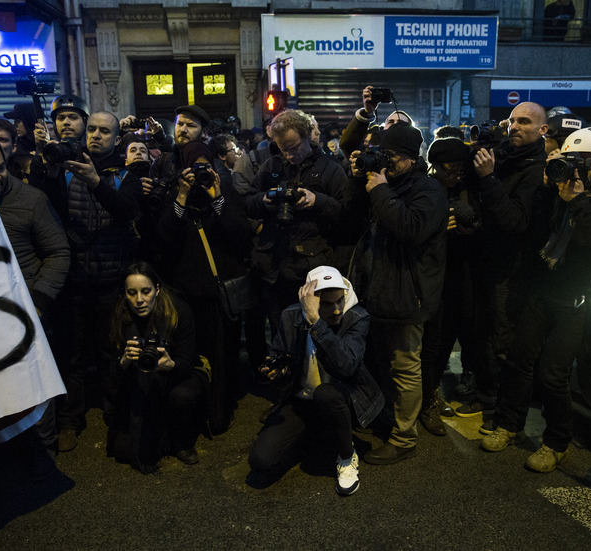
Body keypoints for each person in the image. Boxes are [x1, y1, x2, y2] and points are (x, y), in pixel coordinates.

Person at [481, 127, 591, 473]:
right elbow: (533, 231)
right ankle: (508, 424)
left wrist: (577, 201)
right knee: (518, 359)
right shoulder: (560, 187)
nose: (576, 170)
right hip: (545, 285)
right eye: (571, 162)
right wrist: (547, 190)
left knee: (553, 374)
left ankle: (556, 443)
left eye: (584, 163)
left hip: (580, 296)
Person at [28, 104, 145, 452]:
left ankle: (114, 415)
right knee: (71, 354)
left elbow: (127, 211)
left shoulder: (128, 177)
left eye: (104, 131)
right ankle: (70, 420)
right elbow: (48, 213)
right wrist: (48, 172)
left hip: (111, 280)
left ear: (117, 138)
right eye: (91, 129)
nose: (95, 135)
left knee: (111, 352)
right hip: (73, 282)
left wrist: (95, 182)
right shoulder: (64, 172)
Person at [0, 132, 71, 480]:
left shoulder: (31, 200)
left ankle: (44, 450)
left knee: (35, 382)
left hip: (27, 312)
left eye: (0, 168)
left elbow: (58, 252)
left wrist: (38, 301)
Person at [347, 122, 447, 465]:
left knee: (404, 366)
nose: (386, 162)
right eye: (383, 154)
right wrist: (360, 179)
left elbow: (411, 227)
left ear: (410, 157)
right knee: (379, 363)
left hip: (407, 294)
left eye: (392, 156)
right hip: (376, 290)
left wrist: (380, 189)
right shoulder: (385, 182)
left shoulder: (429, 189)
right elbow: (351, 216)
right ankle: (388, 420)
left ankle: (404, 438)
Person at [248, 266, 384, 496]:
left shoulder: (357, 317)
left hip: (345, 396)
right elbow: (279, 352)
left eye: (340, 301)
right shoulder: (290, 316)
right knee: (260, 460)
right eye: (327, 304)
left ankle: (346, 455)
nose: (337, 310)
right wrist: (275, 369)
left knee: (325, 394)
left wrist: (315, 323)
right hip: (304, 399)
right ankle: (314, 432)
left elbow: (346, 365)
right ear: (310, 300)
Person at [460, 102, 551, 427]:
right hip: (485, 264)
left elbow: (516, 221)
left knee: (503, 345)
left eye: (524, 122)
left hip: (510, 273)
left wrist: (488, 178)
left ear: (543, 129)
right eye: (512, 120)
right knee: (480, 337)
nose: (514, 126)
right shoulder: (505, 156)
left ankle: (504, 417)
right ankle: (486, 402)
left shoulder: (538, 169)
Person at [155, 140, 253, 435]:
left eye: (205, 166)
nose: (200, 173)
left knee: (223, 355)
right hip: (185, 294)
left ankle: (220, 412)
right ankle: (193, 411)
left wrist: (218, 198)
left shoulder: (224, 191)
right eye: (193, 167)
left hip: (218, 293)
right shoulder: (176, 194)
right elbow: (164, 239)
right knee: (190, 354)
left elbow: (240, 237)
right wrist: (182, 195)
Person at [244, 109, 347, 333]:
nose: (289, 155)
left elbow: (347, 216)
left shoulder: (331, 169)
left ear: (307, 136)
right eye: (283, 149)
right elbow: (247, 204)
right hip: (273, 267)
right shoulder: (271, 167)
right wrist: (264, 200)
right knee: (281, 331)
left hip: (311, 268)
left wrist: (318, 201)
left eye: (294, 147)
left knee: (313, 331)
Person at [103, 262, 206, 473]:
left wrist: (171, 364)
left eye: (146, 291)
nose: (139, 300)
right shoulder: (119, 316)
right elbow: (110, 372)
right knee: (123, 451)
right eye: (132, 293)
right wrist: (124, 361)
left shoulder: (178, 311)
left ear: (157, 289)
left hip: (177, 378)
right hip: (137, 383)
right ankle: (157, 435)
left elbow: (187, 364)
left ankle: (181, 440)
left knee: (182, 396)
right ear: (124, 294)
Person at [418, 137, 481, 436]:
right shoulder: (426, 190)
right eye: (451, 168)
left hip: (459, 274)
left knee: (445, 341)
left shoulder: (466, 188)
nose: (457, 173)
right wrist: (439, 229)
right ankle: (425, 400)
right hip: (432, 278)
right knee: (430, 343)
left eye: (461, 167)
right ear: (435, 167)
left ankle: (430, 394)